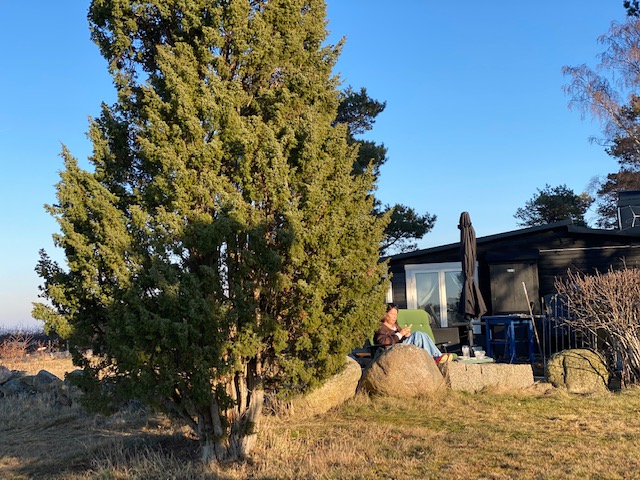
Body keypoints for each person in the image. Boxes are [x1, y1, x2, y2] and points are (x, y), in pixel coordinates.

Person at [374, 304, 454, 364]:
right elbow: (383, 342)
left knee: (423, 334)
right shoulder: (381, 327)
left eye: (396, 314)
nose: (394, 317)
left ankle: (438, 356)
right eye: (392, 314)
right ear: (385, 314)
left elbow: (401, 338)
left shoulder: (396, 326)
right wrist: (400, 334)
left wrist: (406, 336)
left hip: (402, 347)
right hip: (393, 351)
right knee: (418, 334)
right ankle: (434, 357)